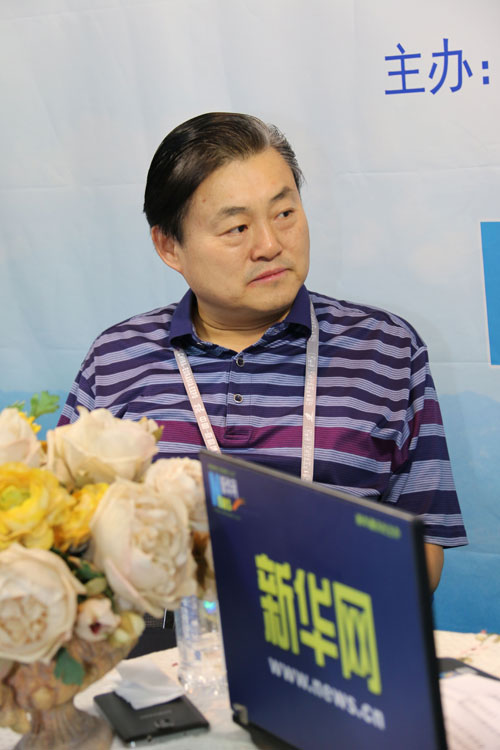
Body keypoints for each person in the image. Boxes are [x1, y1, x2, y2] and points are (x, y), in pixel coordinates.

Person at [59, 112, 467, 593]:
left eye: (284, 213)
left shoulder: (385, 349)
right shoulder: (116, 358)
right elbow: (64, 532)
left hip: (331, 627)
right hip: (166, 633)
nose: (270, 245)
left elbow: (426, 543)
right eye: (236, 227)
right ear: (169, 247)